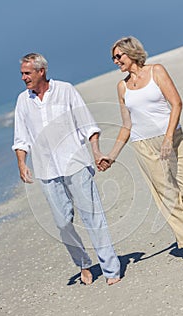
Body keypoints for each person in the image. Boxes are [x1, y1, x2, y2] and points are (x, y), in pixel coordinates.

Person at [12, 52, 121, 285]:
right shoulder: (23, 101)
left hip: (76, 163)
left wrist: (97, 152)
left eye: (27, 73)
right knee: (62, 223)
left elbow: (87, 124)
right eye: (22, 73)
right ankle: (83, 262)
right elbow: (21, 138)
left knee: (93, 217)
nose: (23, 78)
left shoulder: (65, 90)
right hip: (47, 170)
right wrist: (22, 163)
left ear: (41, 71)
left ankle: (111, 269)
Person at [97, 36, 183, 260]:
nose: (116, 61)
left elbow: (176, 103)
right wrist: (112, 156)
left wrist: (167, 137)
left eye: (119, 56)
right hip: (143, 144)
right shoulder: (122, 87)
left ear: (132, 53)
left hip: (172, 138)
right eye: (113, 58)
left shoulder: (157, 71)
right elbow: (127, 125)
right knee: (167, 195)